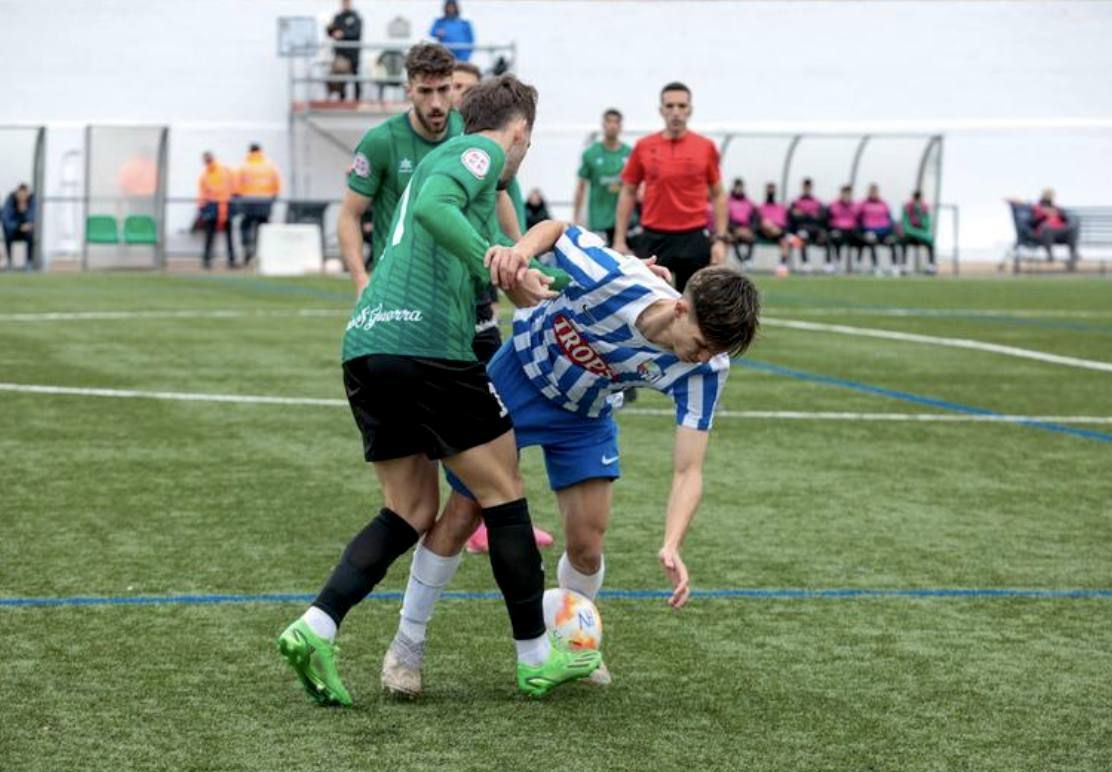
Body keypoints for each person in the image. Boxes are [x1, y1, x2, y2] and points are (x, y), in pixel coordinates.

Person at [276, 75, 601, 705]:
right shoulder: (473, 153)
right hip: (427, 347)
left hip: (367, 347)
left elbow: (502, 259)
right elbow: (435, 213)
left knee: (411, 510)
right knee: (503, 490)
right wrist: (490, 257)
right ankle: (536, 656)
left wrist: (540, 277)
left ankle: (315, 626)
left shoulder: (456, 171)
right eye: (525, 146)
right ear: (519, 133)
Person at [380, 227, 761, 697]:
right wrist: (519, 254)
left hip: (585, 414)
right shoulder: (615, 277)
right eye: (702, 342)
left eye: (716, 352)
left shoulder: (706, 370)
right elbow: (558, 232)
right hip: (518, 378)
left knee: (587, 542)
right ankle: (406, 645)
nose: (703, 357)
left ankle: (571, 637)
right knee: (463, 512)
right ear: (681, 308)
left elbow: (689, 469)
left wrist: (672, 543)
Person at [449, 58, 554, 555]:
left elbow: (513, 238)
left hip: (484, 306)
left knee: (499, 415)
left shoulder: (497, 168)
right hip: (437, 312)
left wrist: (524, 270)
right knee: (450, 428)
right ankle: (453, 514)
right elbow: (430, 213)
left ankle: (492, 517)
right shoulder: (453, 157)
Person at [338, 43, 462, 291]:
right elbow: (349, 216)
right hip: (397, 287)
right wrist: (362, 280)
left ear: (453, 87)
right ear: (409, 91)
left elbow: (498, 200)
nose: (436, 103)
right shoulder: (381, 141)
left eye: (443, 90)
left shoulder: (469, 134)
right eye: (425, 91)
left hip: (457, 288)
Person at [613, 82, 727, 293]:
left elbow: (719, 194)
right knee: (648, 307)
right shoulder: (644, 146)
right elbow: (628, 191)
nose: (676, 112)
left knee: (693, 309)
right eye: (670, 106)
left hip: (693, 238)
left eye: (682, 106)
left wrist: (720, 239)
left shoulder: (705, 147)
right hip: (654, 239)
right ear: (661, 110)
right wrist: (619, 240)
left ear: (690, 110)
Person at [573, 108, 634, 245]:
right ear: (603, 124)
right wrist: (576, 217)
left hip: (626, 222)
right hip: (600, 221)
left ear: (621, 126)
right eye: (609, 121)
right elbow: (581, 187)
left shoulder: (629, 153)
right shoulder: (591, 153)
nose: (612, 125)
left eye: (616, 122)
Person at [236, 143, 281, 265]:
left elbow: (237, 185)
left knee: (245, 226)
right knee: (263, 228)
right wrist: (273, 197)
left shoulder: (244, 166)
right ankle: (264, 252)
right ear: (260, 151)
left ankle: (247, 247)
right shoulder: (269, 165)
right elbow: (276, 184)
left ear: (249, 151)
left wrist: (239, 197)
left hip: (248, 201)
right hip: (265, 201)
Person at [196, 152, 236, 269]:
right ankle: (228, 260)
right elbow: (202, 193)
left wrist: (201, 207)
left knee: (213, 236)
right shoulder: (211, 174)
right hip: (221, 206)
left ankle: (210, 260)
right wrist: (202, 207)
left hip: (219, 206)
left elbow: (203, 193)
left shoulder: (208, 175)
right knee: (220, 236)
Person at [1030, 188, 1080, 266]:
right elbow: (1032, 223)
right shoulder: (1036, 207)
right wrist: (1044, 215)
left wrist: (1059, 213)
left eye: (1050, 195)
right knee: (1047, 228)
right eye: (1047, 194)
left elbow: (1065, 220)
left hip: (1059, 232)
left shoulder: (1057, 208)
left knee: (1072, 228)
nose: (1049, 197)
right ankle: (1050, 256)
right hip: (1045, 232)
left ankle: (1073, 254)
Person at [858, 183, 899, 274]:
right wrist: (863, 232)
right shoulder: (863, 204)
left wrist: (891, 233)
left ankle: (894, 265)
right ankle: (875, 265)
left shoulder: (884, 204)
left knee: (892, 242)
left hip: (884, 232)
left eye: (875, 191)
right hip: (869, 231)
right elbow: (859, 220)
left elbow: (890, 219)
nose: (873, 193)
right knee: (872, 241)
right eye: (871, 191)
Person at [327, 0, 363, 101]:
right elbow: (331, 31)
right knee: (340, 76)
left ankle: (357, 98)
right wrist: (331, 30)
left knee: (356, 75)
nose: (345, 4)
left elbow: (356, 32)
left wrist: (343, 34)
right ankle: (342, 97)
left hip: (353, 53)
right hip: (341, 53)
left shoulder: (356, 17)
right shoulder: (338, 18)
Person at [789, 178, 827, 271]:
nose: (807, 189)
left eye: (809, 187)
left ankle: (828, 263)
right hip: (799, 230)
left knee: (826, 237)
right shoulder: (795, 201)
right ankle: (805, 262)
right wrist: (810, 215)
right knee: (802, 237)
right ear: (802, 187)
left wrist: (804, 215)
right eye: (805, 187)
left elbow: (820, 217)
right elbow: (793, 217)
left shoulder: (817, 202)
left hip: (814, 229)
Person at [758, 182, 792, 273]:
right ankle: (790, 237)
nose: (771, 192)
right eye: (769, 189)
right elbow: (758, 223)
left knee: (784, 241)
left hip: (779, 234)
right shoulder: (761, 207)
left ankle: (782, 265)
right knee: (767, 224)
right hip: (764, 233)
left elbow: (784, 223)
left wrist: (776, 228)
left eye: (772, 189)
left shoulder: (781, 208)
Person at [899, 190, 935, 274]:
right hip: (911, 235)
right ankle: (903, 266)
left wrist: (922, 233)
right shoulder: (907, 208)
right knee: (904, 241)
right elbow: (906, 226)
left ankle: (931, 266)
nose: (918, 201)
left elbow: (927, 226)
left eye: (919, 199)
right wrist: (919, 233)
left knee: (931, 243)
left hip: (921, 235)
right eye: (916, 199)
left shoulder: (925, 209)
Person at [2, 184, 35, 270]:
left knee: (30, 234)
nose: (23, 197)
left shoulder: (31, 200)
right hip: (13, 230)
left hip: (25, 231)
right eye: (21, 194)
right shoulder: (10, 200)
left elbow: (33, 216)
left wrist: (25, 212)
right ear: (17, 193)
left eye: (25, 194)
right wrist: (18, 226)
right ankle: (9, 262)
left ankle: (29, 262)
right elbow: (6, 219)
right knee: (7, 234)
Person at [826, 185, 859, 269]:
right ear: (841, 194)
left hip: (851, 231)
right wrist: (832, 228)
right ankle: (837, 262)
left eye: (848, 193)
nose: (846, 196)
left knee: (861, 239)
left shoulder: (856, 206)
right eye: (845, 193)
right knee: (835, 238)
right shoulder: (833, 205)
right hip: (838, 229)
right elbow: (828, 219)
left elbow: (859, 220)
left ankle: (857, 263)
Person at [726, 178, 756, 264]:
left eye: (741, 187)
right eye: (737, 187)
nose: (739, 189)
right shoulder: (727, 202)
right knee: (733, 238)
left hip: (747, 230)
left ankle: (748, 260)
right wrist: (735, 229)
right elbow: (725, 219)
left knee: (751, 238)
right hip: (733, 230)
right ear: (734, 188)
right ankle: (739, 260)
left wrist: (750, 229)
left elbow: (755, 218)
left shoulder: (749, 203)